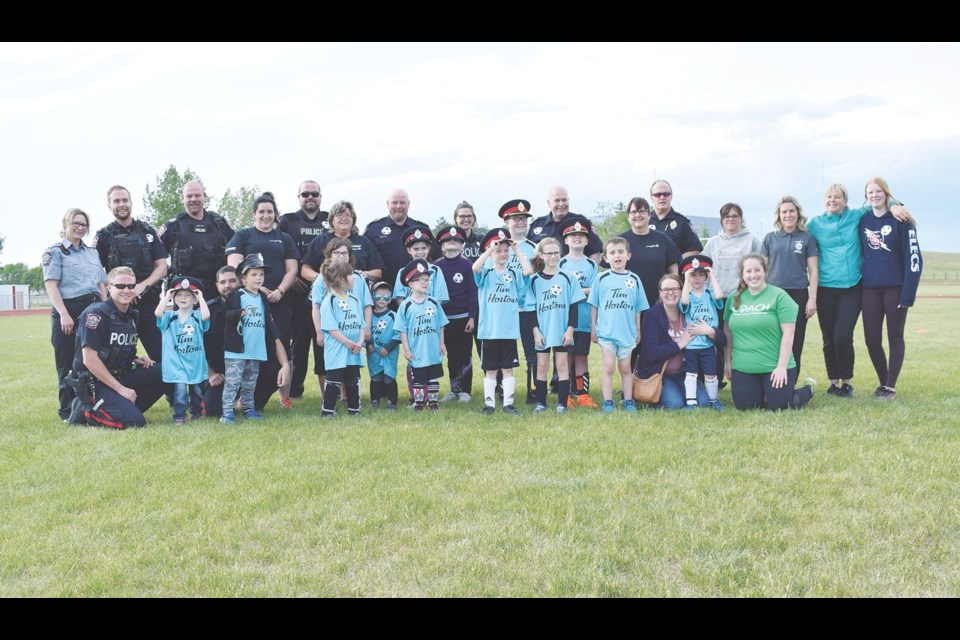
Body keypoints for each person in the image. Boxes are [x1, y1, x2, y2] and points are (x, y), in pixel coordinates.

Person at [807, 184, 910, 398]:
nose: (832, 200)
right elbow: (797, 232)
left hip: (853, 286)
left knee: (843, 336)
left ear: (845, 201)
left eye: (838, 197)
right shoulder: (815, 224)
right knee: (828, 337)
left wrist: (895, 205)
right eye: (829, 197)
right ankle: (833, 383)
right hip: (826, 287)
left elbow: (878, 202)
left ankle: (846, 383)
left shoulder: (856, 216)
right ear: (824, 200)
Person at [225, 192, 299, 409]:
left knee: (283, 346)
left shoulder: (284, 238)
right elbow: (234, 266)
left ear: (275, 214)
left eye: (270, 212)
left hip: (280, 301)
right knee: (249, 346)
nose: (266, 216)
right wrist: (259, 288)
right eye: (262, 212)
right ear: (254, 214)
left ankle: (284, 396)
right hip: (250, 300)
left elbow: (292, 269)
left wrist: (280, 291)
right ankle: (243, 396)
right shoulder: (243, 236)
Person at [71, 267, 167, 428]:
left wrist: (137, 359)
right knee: (135, 422)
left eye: (131, 286)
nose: (126, 290)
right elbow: (89, 359)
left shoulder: (132, 315)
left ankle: (125, 409)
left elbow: (116, 347)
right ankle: (85, 410)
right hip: (96, 381)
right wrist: (121, 389)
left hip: (120, 374)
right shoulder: (96, 314)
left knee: (167, 371)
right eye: (120, 286)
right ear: (109, 287)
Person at [723, 254, 815, 411]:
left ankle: (808, 389)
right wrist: (728, 362)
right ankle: (763, 392)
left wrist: (781, 367)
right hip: (744, 366)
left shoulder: (779, 296)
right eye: (748, 271)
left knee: (779, 406)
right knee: (746, 407)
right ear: (742, 274)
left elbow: (789, 333)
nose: (753, 275)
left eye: (757, 270)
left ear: (765, 271)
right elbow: (727, 331)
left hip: (774, 366)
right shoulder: (734, 297)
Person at [859, 178, 923, 400]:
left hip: (895, 288)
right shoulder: (863, 220)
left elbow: (914, 259)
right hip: (869, 289)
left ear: (886, 194)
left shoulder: (902, 221)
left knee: (894, 336)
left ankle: (890, 387)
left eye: (878, 191)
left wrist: (908, 294)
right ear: (866, 196)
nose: (874, 195)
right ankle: (884, 382)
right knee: (871, 340)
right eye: (870, 192)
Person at [43, 208, 107, 421]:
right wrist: (63, 314)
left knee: (90, 360)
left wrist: (107, 309)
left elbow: (100, 284)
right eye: (76, 223)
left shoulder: (92, 253)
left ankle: (88, 407)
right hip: (67, 309)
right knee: (67, 363)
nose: (80, 227)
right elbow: (52, 285)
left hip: (92, 308)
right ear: (65, 225)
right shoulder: (56, 252)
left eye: (84, 224)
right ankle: (66, 411)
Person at [94, 185, 168, 362]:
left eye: (124, 200)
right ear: (109, 205)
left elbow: (162, 267)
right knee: (116, 357)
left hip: (148, 304)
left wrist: (141, 287)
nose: (121, 204)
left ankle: (172, 391)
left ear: (131, 202)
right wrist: (110, 300)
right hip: (118, 309)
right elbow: (96, 274)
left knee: (163, 356)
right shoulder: (103, 236)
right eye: (116, 201)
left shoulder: (147, 231)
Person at [635, 274, 726, 409]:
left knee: (703, 402)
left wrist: (711, 332)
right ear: (660, 293)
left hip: (686, 372)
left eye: (675, 289)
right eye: (665, 289)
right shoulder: (652, 315)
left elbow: (722, 340)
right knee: (674, 404)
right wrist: (679, 344)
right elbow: (650, 353)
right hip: (661, 373)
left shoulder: (689, 311)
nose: (670, 293)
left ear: (682, 291)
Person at [221, 254, 291, 424]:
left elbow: (268, 322)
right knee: (233, 382)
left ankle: (248, 409)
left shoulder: (262, 298)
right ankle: (227, 412)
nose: (259, 278)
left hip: (256, 349)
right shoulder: (237, 295)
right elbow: (226, 313)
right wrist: (238, 314)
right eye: (254, 274)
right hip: (237, 350)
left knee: (250, 383)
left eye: (261, 274)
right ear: (243, 279)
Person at [278, 180, 330, 399]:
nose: (310, 198)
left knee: (324, 340)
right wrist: (291, 279)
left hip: (326, 293)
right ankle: (295, 390)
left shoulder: (330, 219)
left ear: (320, 197)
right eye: (306, 194)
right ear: (298, 197)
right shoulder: (287, 221)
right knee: (298, 343)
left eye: (314, 194)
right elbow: (277, 248)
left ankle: (331, 388)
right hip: (296, 293)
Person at [473, 228, 533, 415]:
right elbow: (475, 267)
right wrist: (490, 250)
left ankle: (508, 403)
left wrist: (516, 250)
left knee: (508, 368)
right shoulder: (486, 273)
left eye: (505, 250)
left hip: (508, 330)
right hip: (489, 331)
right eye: (499, 251)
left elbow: (528, 270)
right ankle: (489, 404)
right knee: (490, 370)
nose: (503, 254)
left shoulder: (514, 274)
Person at [702, 202, 762, 384]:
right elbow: (704, 267)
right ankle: (718, 378)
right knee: (719, 338)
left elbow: (761, 266)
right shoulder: (713, 242)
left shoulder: (751, 240)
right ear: (722, 220)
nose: (731, 219)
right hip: (717, 298)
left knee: (742, 338)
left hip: (742, 296)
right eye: (727, 216)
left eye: (735, 216)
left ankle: (744, 376)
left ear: (741, 219)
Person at [589, 237, 649, 413]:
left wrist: (638, 329)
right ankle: (608, 401)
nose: (617, 256)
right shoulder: (601, 278)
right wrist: (593, 327)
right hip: (607, 332)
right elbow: (594, 305)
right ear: (605, 258)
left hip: (627, 333)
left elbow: (638, 307)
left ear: (628, 255)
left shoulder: (635, 279)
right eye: (612, 253)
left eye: (621, 252)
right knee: (608, 366)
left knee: (625, 368)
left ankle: (628, 400)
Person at [525, 237, 585, 413]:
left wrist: (570, 330)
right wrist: (536, 332)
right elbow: (530, 309)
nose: (553, 256)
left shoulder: (568, 277)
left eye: (556, 252)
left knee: (562, 366)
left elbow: (574, 306)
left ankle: (562, 404)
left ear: (561, 253)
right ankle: (541, 403)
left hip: (561, 330)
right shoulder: (534, 280)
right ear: (541, 255)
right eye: (549, 253)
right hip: (542, 331)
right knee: (542, 366)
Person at [311, 237, 374, 398]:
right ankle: (330, 399)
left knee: (352, 366)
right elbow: (316, 306)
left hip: (354, 330)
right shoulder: (321, 279)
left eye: (345, 253)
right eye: (337, 252)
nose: (341, 256)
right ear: (329, 255)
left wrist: (366, 327)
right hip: (333, 333)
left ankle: (351, 399)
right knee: (333, 367)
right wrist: (319, 331)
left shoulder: (357, 279)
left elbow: (367, 304)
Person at [761, 196, 819, 374]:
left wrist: (812, 299)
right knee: (772, 339)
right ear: (779, 215)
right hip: (773, 295)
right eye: (784, 211)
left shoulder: (807, 238)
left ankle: (791, 380)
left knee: (795, 338)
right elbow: (762, 269)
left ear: (798, 213)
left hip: (798, 295)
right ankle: (770, 377)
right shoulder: (770, 238)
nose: (788, 215)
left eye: (791, 211)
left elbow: (814, 270)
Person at [158, 180, 235, 299]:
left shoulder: (220, 225)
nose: (193, 199)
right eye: (189, 196)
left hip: (218, 295)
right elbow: (155, 259)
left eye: (197, 195)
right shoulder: (172, 227)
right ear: (182, 198)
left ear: (204, 196)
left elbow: (238, 253)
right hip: (184, 294)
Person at [499, 199, 539, 404]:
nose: (520, 222)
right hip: (504, 308)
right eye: (515, 219)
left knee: (531, 352)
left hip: (528, 307)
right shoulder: (498, 247)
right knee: (501, 350)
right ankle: (500, 390)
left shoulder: (535, 247)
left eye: (523, 219)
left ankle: (533, 391)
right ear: (506, 222)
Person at [395, 259, 449, 410]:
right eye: (421, 280)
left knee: (433, 377)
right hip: (416, 349)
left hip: (432, 348)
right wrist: (406, 349)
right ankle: (419, 402)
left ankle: (433, 402)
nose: (425, 283)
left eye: (427, 280)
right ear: (410, 284)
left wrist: (441, 343)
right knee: (418, 377)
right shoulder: (406, 306)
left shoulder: (433, 302)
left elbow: (441, 325)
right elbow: (402, 329)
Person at [155, 277, 210, 425]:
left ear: (194, 299)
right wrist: (167, 296)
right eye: (179, 295)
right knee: (180, 392)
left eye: (188, 295)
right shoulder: (169, 317)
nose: (183, 298)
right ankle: (179, 414)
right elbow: (158, 313)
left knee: (196, 392)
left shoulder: (197, 316)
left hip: (194, 363)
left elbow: (206, 315)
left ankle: (196, 413)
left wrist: (201, 298)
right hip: (177, 363)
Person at [558, 217, 600, 409]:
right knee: (566, 358)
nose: (577, 238)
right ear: (565, 240)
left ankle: (583, 394)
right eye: (572, 236)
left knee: (582, 357)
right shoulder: (560, 263)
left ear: (586, 241)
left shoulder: (591, 265)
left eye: (581, 236)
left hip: (583, 319)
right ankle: (565, 394)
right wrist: (580, 292)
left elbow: (595, 291)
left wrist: (574, 292)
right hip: (565, 321)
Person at [434, 225, 478, 403]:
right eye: (447, 241)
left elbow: (473, 292)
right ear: (442, 246)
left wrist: (472, 317)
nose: (452, 243)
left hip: (463, 317)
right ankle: (454, 389)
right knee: (451, 355)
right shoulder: (436, 266)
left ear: (462, 246)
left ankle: (466, 391)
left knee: (464, 354)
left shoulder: (467, 265)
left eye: (457, 240)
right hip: (445, 319)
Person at [362, 188, 438, 291]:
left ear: (408, 204)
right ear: (387, 204)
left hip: (417, 292)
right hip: (383, 294)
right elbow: (364, 259)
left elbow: (437, 257)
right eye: (394, 202)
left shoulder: (421, 229)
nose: (398, 206)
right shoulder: (373, 229)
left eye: (402, 202)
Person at [317, 261, 366, 418]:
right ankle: (327, 411)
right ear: (340, 278)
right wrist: (347, 342)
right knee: (334, 380)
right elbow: (331, 328)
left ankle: (354, 410)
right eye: (351, 274)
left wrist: (359, 342)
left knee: (352, 379)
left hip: (354, 349)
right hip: (338, 349)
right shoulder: (329, 301)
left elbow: (361, 325)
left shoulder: (355, 300)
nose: (354, 278)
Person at [617, 197, 681, 314]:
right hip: (626, 303)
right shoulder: (620, 241)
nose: (638, 215)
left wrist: (669, 294)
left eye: (642, 211)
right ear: (628, 216)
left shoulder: (662, 239)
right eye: (633, 212)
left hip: (658, 303)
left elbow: (674, 272)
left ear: (649, 215)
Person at [301, 200, 384, 288]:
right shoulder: (320, 240)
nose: (344, 218)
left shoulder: (364, 242)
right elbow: (305, 270)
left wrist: (365, 274)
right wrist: (323, 279)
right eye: (339, 215)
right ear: (331, 220)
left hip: (356, 293)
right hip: (325, 293)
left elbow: (378, 272)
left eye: (348, 215)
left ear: (353, 220)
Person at [678, 255, 724, 410]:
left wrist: (712, 276)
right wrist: (685, 279)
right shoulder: (688, 296)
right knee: (691, 373)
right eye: (694, 275)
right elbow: (683, 303)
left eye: (701, 275)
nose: (697, 278)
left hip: (708, 344)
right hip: (692, 344)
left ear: (706, 276)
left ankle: (713, 400)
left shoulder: (710, 294)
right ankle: (691, 402)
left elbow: (719, 296)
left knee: (711, 373)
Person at [202, 265, 239, 418]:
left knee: (273, 368)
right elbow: (195, 347)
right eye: (223, 282)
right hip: (219, 372)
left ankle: (249, 400)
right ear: (217, 286)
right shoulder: (206, 312)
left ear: (241, 282)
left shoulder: (253, 305)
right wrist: (210, 374)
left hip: (248, 369)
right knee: (214, 412)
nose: (228, 285)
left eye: (232, 281)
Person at [529, 186, 602, 262]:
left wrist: (592, 272)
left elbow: (594, 252)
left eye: (564, 200)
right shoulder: (536, 225)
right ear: (548, 203)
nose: (561, 204)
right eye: (557, 200)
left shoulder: (581, 222)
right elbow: (529, 253)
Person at [647, 180, 704, 258]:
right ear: (651, 198)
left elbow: (695, 251)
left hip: (674, 269)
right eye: (657, 194)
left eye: (666, 194)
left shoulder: (682, 222)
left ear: (671, 196)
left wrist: (675, 262)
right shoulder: (645, 221)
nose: (662, 197)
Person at [366, 282, 400, 410]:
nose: (381, 300)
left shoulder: (393, 316)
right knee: (375, 377)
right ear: (372, 297)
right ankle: (375, 400)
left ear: (390, 299)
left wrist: (388, 348)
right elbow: (365, 330)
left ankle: (392, 402)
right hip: (373, 352)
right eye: (378, 296)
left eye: (386, 297)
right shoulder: (369, 316)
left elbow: (398, 334)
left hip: (389, 353)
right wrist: (368, 344)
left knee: (388, 377)